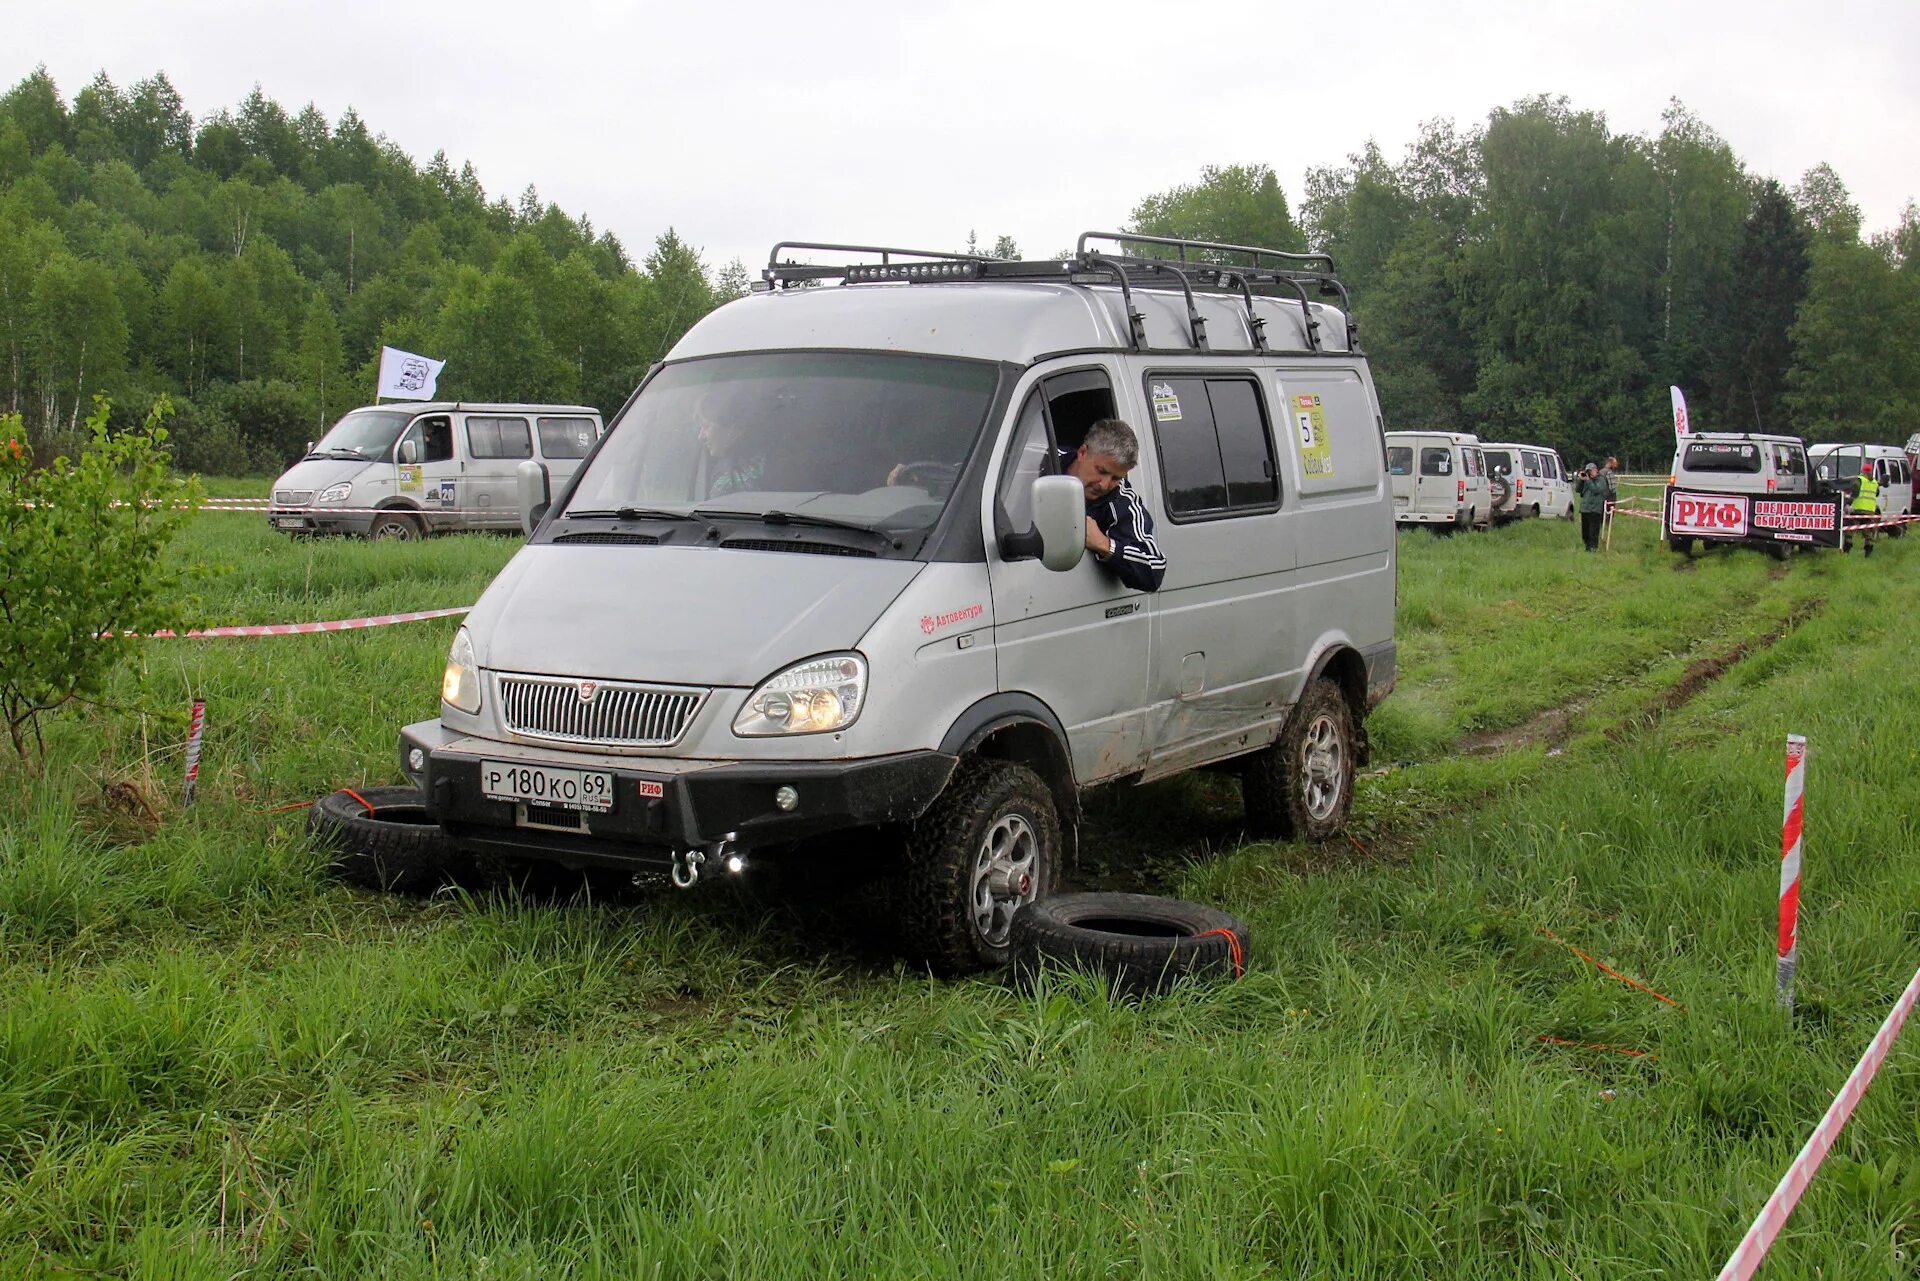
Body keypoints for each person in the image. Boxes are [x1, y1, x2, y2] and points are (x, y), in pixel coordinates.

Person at [1056, 418, 1166, 592]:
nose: (1104, 485)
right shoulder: (1037, 461)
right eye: (1102, 471)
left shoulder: (1121, 500)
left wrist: (1102, 543)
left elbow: (1154, 568)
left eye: (1116, 478)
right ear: (1082, 452)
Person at [1574, 461, 1613, 552]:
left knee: (1593, 531)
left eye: (1591, 470)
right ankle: (1587, 547)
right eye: (1588, 471)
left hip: (1595, 509)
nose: (1590, 473)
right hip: (1585, 509)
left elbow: (1597, 490)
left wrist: (1588, 481)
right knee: (1585, 532)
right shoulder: (1586, 480)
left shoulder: (1601, 479)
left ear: (1596, 470)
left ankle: (1593, 548)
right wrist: (1581, 480)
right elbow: (1578, 490)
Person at [1847, 457, 1881, 558]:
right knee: (1867, 532)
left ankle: (1847, 550)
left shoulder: (1859, 480)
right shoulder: (1875, 482)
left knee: (1849, 529)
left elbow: (1854, 493)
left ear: (1863, 471)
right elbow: (1877, 493)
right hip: (1870, 511)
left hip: (1857, 510)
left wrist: (1847, 503)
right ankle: (1868, 553)